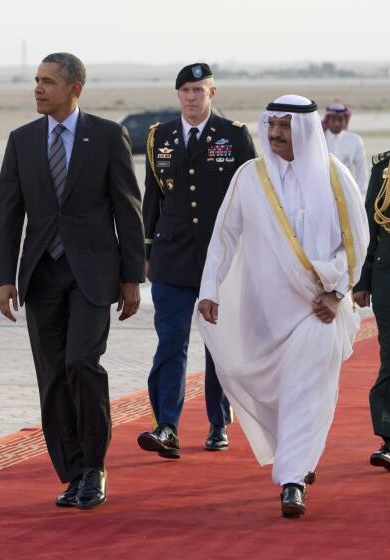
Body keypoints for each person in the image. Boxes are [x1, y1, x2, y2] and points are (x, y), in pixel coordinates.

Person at [196, 95, 368, 518]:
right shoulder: (250, 177)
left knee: (305, 392)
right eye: (271, 127)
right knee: (244, 375)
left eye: (284, 128)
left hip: (317, 309)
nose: (274, 135)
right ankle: (298, 456)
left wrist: (337, 293)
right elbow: (224, 235)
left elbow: (355, 244)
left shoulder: (335, 177)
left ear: (305, 130)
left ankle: (291, 480)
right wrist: (210, 289)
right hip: (265, 310)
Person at [0, 53, 145, 510]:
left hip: (94, 274)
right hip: (41, 274)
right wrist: (5, 279)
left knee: (82, 363)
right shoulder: (21, 141)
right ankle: (73, 470)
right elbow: (8, 213)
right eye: (37, 81)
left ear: (75, 88)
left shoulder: (106, 136)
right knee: (53, 377)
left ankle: (95, 467)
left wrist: (132, 276)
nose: (39, 89)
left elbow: (127, 208)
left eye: (49, 82)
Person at [139, 63, 256, 458]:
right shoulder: (161, 137)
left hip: (219, 258)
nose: (191, 97)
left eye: (198, 90)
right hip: (171, 259)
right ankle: (167, 426)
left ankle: (218, 421)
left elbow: (250, 198)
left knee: (217, 346)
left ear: (212, 93)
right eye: (185, 90)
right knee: (170, 342)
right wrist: (147, 253)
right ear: (178, 95)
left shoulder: (234, 136)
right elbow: (151, 201)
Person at [353, 149, 390, 470]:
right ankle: (389, 439)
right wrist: (362, 281)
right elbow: (369, 229)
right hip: (387, 278)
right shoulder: (384, 169)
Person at [323, 103, 368, 194]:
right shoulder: (319, 139)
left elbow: (362, 173)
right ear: (328, 120)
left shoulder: (355, 140)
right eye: (333, 119)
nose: (337, 123)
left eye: (340, 119)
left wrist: (361, 196)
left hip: (347, 192)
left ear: (345, 120)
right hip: (324, 192)